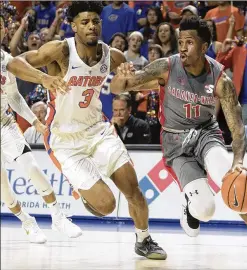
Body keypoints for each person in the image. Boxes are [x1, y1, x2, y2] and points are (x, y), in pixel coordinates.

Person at [111, 16, 247, 268]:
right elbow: (120, 87)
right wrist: (121, 76)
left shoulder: (220, 80)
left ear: (204, 47)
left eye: (189, 42)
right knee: (206, 211)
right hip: (176, 142)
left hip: (206, 135)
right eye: (180, 41)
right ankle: (192, 205)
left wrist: (237, 162)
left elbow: (237, 131)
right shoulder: (166, 67)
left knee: (234, 180)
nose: (182, 47)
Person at [11, 1, 166, 260]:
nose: (91, 26)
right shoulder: (61, 50)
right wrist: (44, 78)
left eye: (95, 21)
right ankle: (85, 190)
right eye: (84, 22)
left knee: (133, 190)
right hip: (64, 139)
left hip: (97, 129)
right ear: (73, 27)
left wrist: (157, 83)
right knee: (106, 205)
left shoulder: (112, 55)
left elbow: (126, 85)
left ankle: (144, 239)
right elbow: (15, 63)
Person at [0, 14, 82, 243]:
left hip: (4, 125)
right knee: (3, 189)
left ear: (4, 31)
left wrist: (34, 121)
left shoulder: (7, 62)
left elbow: (14, 97)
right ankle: (27, 221)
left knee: (32, 168)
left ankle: (57, 215)